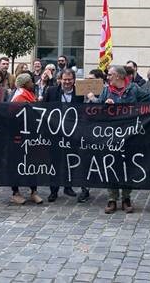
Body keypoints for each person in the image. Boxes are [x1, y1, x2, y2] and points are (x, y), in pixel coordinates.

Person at [88, 65, 150, 214]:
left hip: (130, 134)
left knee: (127, 165)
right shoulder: (107, 90)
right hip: (111, 134)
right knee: (110, 164)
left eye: (110, 75)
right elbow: (97, 109)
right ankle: (112, 198)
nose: (108, 77)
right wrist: (101, 104)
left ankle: (126, 198)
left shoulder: (133, 89)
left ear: (119, 76)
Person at [44, 69, 84, 202]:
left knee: (70, 160)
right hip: (55, 132)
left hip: (72, 132)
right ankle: (53, 190)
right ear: (60, 79)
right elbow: (44, 109)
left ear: (74, 80)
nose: (67, 82)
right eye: (64, 79)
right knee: (54, 161)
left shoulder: (80, 93)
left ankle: (68, 186)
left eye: (69, 79)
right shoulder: (51, 91)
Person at [9, 73, 44, 204]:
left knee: (32, 162)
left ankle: (33, 191)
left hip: (31, 135)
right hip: (19, 136)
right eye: (30, 82)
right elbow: (13, 115)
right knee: (17, 162)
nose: (33, 84)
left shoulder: (29, 95)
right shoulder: (19, 97)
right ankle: (15, 192)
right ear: (25, 84)